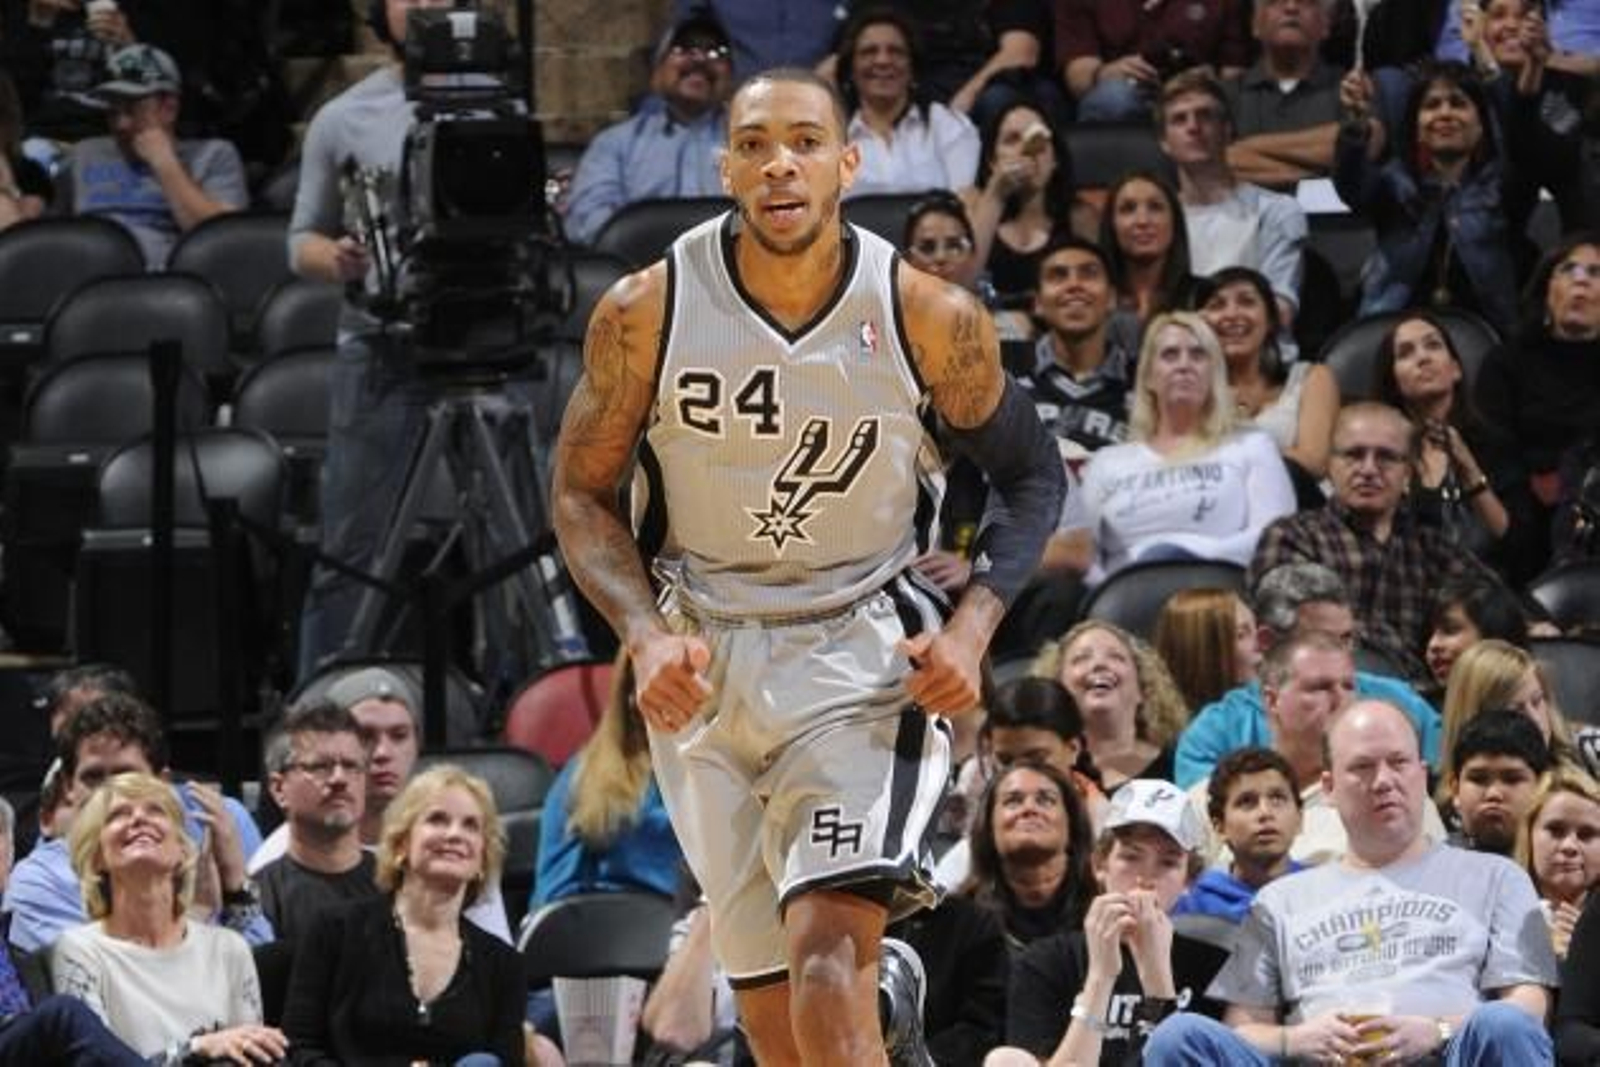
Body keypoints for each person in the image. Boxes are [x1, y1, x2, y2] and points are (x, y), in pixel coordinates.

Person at [550, 65, 1064, 1064]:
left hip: (857, 650)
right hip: (701, 655)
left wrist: (970, 627)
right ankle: (899, 1031)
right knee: (779, 1038)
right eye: (755, 145)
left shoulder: (927, 313)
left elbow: (1032, 475)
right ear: (725, 167)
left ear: (846, 161)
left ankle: (879, 990)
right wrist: (644, 633)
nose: (780, 163)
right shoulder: (643, 310)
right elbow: (579, 493)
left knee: (829, 968)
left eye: (803, 141)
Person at [1143, 700, 1559, 1067]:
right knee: (1178, 1036)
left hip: (1444, 1057)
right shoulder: (1277, 900)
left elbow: (1529, 1007)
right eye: (1362, 767)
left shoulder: (1499, 876)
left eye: (1397, 763)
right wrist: (1298, 1040)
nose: (1383, 781)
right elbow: (1244, 1028)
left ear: (1421, 774)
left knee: (1503, 1023)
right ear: (1328, 788)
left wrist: (1437, 1031)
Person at [290, 0, 473, 675]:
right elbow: (298, 241)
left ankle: (526, 703)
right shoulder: (344, 116)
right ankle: (321, 699)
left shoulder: (496, 104)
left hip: (485, 343)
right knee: (353, 546)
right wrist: (335, 258)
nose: (424, 4)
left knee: (512, 547)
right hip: (383, 348)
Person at [281, 766, 540, 1066]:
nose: (455, 834)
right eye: (437, 819)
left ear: (482, 857)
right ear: (402, 843)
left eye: (471, 826)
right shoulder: (335, 930)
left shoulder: (504, 965)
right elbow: (299, 1047)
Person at [248, 666, 513, 942]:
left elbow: (491, 955)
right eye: (366, 737)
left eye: (399, 735)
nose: (383, 753)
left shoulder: (450, 840)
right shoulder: (276, 860)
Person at [1250, 402, 1500, 685]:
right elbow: (1290, 633)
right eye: (1354, 455)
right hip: (1326, 693)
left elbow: (1494, 606)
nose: (1368, 469)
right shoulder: (1292, 536)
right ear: (1331, 465)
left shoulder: (1430, 545)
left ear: (1408, 471)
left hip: (1424, 704)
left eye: (1386, 457)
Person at [5, 692, 269, 953]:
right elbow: (98, 983)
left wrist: (235, 888)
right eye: (93, 777)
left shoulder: (217, 822)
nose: (109, 793)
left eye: (126, 776)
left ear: (162, 783)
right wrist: (196, 918)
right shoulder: (42, 880)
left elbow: (262, 968)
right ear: (68, 787)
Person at [52, 772, 286, 1063]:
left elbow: (254, 1054)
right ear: (97, 856)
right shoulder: (79, 951)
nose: (139, 818)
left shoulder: (229, 948)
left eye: (155, 811)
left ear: (181, 850)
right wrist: (196, 1048)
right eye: (117, 815)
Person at [992, 779, 1227, 1067]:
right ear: (1100, 865)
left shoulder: (1212, 967)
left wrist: (1157, 975)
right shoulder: (1046, 961)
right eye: (1131, 857)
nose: (1146, 878)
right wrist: (1101, 977)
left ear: (1188, 880)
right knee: (1005, 1060)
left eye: (1167, 863)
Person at [1056, 311, 1297, 587]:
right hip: (1128, 600)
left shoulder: (1251, 445)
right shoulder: (1107, 462)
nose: (1184, 365)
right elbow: (1085, 554)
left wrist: (1180, 553)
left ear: (1213, 372)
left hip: (1223, 593)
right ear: (1148, 377)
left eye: (1197, 355)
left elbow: (1274, 537)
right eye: (1170, 355)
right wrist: (1116, 587)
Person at [1174, 561, 1444, 789]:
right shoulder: (1213, 735)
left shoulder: (1399, 701)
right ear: (1267, 641)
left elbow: (1444, 783)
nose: (1342, 654)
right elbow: (1209, 828)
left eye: (1347, 638)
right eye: (1322, 640)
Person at [1335, 60, 1536, 337]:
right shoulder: (1394, 183)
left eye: (1458, 103)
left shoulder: (1503, 187)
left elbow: (1520, 133)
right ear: (1417, 128)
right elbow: (1352, 186)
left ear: (1480, 126)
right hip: (1394, 336)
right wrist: (1356, 125)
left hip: (1489, 340)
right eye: (1431, 105)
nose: (1445, 114)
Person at [1474, 233, 1600, 563]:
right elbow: (1495, 450)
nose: (1581, 281)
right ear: (1547, 291)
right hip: (1525, 513)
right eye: (1568, 269)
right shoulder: (1507, 362)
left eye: (1595, 273)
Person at [65, 43, 247, 269]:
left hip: (162, 288)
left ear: (169, 108)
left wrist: (165, 164)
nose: (121, 124)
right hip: (86, 281)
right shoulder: (86, 153)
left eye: (132, 110)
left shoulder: (214, 155)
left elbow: (223, 242)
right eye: (113, 111)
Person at [562, 11, 732, 246]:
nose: (700, 60)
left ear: (730, 76)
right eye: (683, 49)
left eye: (716, 52)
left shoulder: (757, 146)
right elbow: (585, 220)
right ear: (657, 72)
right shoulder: (615, 144)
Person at [1156, 70, 1307, 327]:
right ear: (1164, 142)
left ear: (1227, 130)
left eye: (1205, 115)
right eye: (1179, 120)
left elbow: (1279, 309)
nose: (1193, 127)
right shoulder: (1158, 220)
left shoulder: (1277, 211)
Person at [532, 652, 682, 907]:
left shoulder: (717, 773)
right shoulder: (585, 774)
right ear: (629, 696)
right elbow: (555, 894)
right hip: (589, 924)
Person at [1372, 310, 1517, 561]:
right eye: (1406, 353)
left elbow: (1515, 545)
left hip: (1481, 586)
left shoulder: (1495, 443)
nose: (1423, 358)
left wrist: (1469, 470)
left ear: (1456, 369)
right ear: (1393, 381)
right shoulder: (1377, 450)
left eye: (1433, 345)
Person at [1195, 266, 1338, 486]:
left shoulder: (1311, 377)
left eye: (1247, 302)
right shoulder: (1192, 390)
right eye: (1217, 306)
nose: (1232, 314)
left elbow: (1313, 462)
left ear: (1271, 320)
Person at [255, 701, 377, 943]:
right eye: (321, 767)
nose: (339, 779)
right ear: (279, 789)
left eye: (352, 766)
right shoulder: (259, 899)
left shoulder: (401, 885)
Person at [834, 6, 980, 197]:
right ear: (851, 69)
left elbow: (965, 211)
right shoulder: (830, 137)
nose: (883, 60)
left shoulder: (948, 126)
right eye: (869, 52)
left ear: (913, 67)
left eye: (896, 51)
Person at [1034, 621, 1189, 791]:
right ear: (1057, 686)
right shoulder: (1043, 770)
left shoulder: (1181, 764)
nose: (1099, 664)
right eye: (1081, 658)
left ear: (1143, 688)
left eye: (1116, 657)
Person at [958, 760, 1098, 948]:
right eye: (1013, 801)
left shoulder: (1105, 909)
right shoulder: (961, 922)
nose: (1029, 809)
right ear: (989, 828)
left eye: (1046, 800)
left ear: (1071, 824)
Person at [959, 97, 1080, 307]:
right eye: (1013, 139)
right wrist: (996, 195)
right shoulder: (969, 205)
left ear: (1055, 160)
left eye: (1038, 138)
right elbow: (961, 285)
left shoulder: (1079, 216)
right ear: (992, 161)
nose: (1028, 150)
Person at [1438, 639, 1600, 792]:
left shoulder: (1590, 749)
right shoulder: (1460, 797)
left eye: (1537, 701)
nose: (1536, 719)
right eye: (1516, 710)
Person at [1056, 0, 1251, 124]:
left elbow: (1234, 73)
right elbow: (1078, 77)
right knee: (1112, 98)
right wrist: (1107, 73)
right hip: (1126, 93)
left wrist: (1211, 79)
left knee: (1231, 103)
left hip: (1196, 92)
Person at [1174, 748, 1304, 923]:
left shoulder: (1328, 894)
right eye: (1247, 802)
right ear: (1219, 827)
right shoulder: (1191, 907)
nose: (1265, 813)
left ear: (1299, 819)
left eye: (1277, 798)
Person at [1222, 0, 1343, 188]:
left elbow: (1358, 147)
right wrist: (1317, 170)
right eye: (1274, 1)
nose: (1291, 7)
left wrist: (1246, 148)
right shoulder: (1225, 95)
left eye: (1306, 2)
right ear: (1255, 25)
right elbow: (1215, 162)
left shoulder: (1352, 89)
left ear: (1326, 25)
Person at [1517, 766, 1600, 961]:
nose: (1570, 846)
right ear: (1528, 836)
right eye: (1555, 830)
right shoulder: (1495, 913)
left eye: (1586, 834)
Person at [1446, 710, 1553, 855]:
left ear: (1542, 787)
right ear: (1455, 789)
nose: (1493, 794)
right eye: (1478, 779)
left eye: (1512, 779)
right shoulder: (1431, 869)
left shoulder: (1564, 865)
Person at [1098, 171, 1197, 327]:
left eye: (1155, 207)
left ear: (1174, 221)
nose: (1143, 221)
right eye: (1128, 209)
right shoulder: (1096, 301)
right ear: (1111, 225)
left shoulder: (1201, 297)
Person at [1152, 589, 1260, 730]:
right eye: (1242, 634)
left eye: (1256, 628)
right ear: (1206, 655)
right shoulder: (1194, 740)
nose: (1263, 642)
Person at [1424, 569, 1532, 696]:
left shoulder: (1531, 703)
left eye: (1450, 630)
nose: (1433, 644)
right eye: (1431, 634)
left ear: (1494, 637)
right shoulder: (1424, 711)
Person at [901, 190, 983, 293]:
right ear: (908, 260)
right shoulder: (884, 307)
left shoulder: (988, 307)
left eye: (954, 246)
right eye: (927, 248)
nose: (940, 257)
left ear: (972, 256)